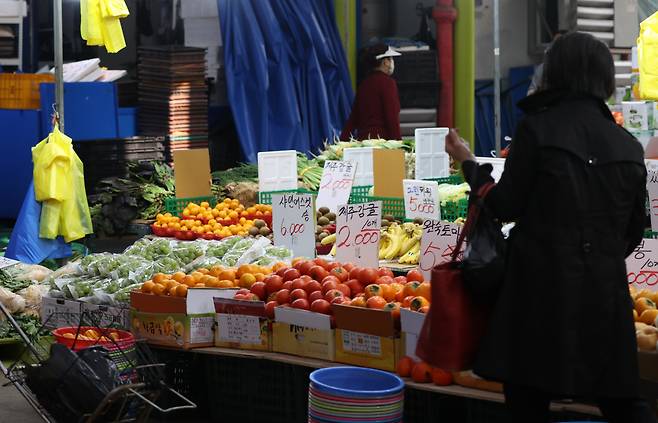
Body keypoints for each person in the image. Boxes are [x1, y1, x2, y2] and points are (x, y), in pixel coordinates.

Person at [445, 32, 654, 423]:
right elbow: (634, 232)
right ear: (604, 79)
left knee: (528, 400)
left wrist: (470, 164)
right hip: (603, 294)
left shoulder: (537, 130)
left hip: (537, 290)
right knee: (621, 400)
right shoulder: (627, 145)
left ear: (555, 72)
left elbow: (504, 205)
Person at [340, 44, 401, 140]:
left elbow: (354, 118)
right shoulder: (388, 83)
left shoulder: (364, 84)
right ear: (385, 62)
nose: (392, 62)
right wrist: (398, 143)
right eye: (391, 59)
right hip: (382, 144)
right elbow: (391, 116)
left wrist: (342, 141)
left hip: (364, 142)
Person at [527, 30, 567, 96]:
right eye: (554, 43)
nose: (555, 46)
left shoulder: (576, 67)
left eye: (559, 43)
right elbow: (531, 91)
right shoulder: (543, 68)